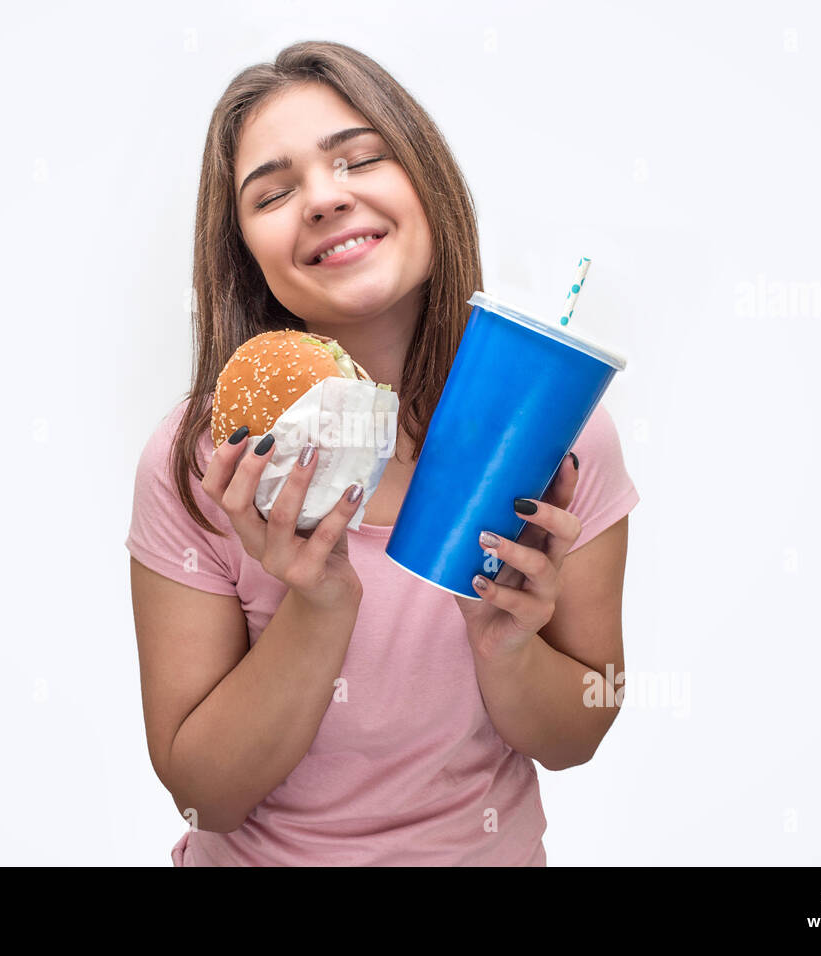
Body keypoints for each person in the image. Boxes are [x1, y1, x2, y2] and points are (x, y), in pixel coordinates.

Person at [126, 40, 640, 866]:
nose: (324, 199)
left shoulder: (559, 439)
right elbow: (204, 795)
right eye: (274, 192)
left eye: (360, 158)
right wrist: (319, 604)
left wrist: (507, 644)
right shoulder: (206, 463)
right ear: (247, 253)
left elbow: (579, 733)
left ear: (425, 180)